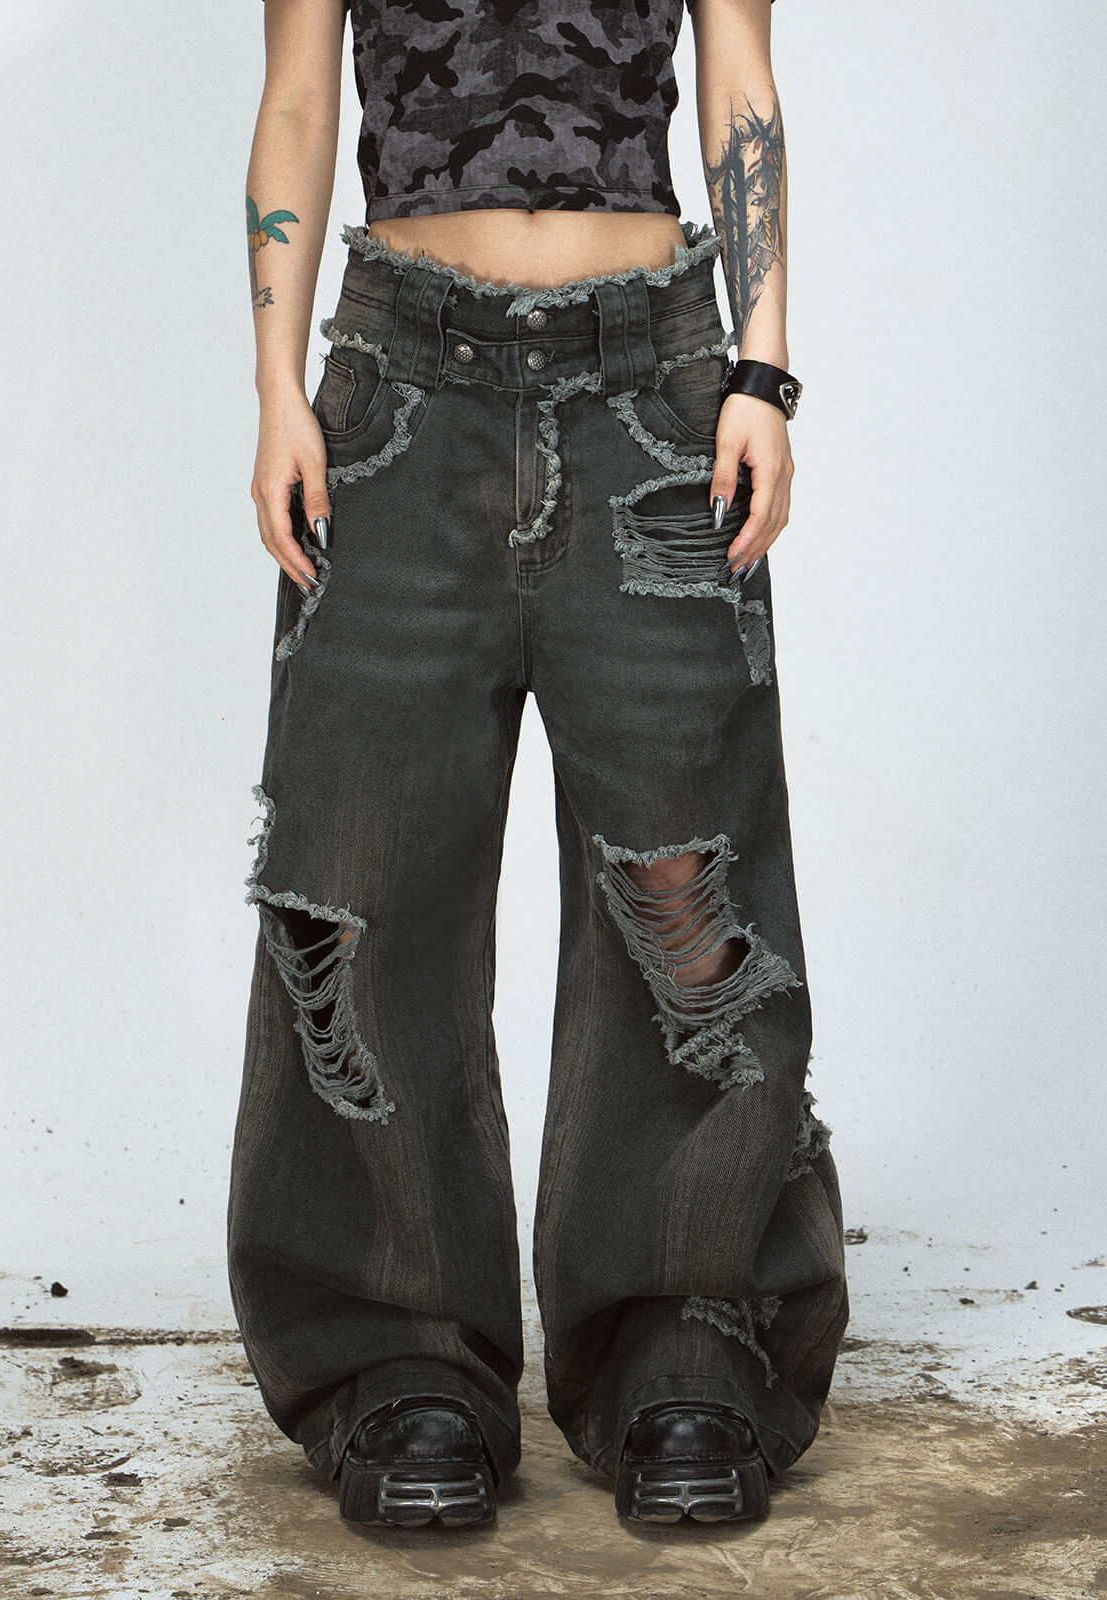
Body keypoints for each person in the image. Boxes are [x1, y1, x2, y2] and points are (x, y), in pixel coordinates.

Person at [228, 0, 848, 1530]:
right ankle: (396, 1361)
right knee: (361, 882)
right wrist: (277, 391)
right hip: (397, 389)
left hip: (652, 387)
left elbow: (742, 75)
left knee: (687, 882)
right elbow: (299, 98)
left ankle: (686, 1340)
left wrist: (762, 369)